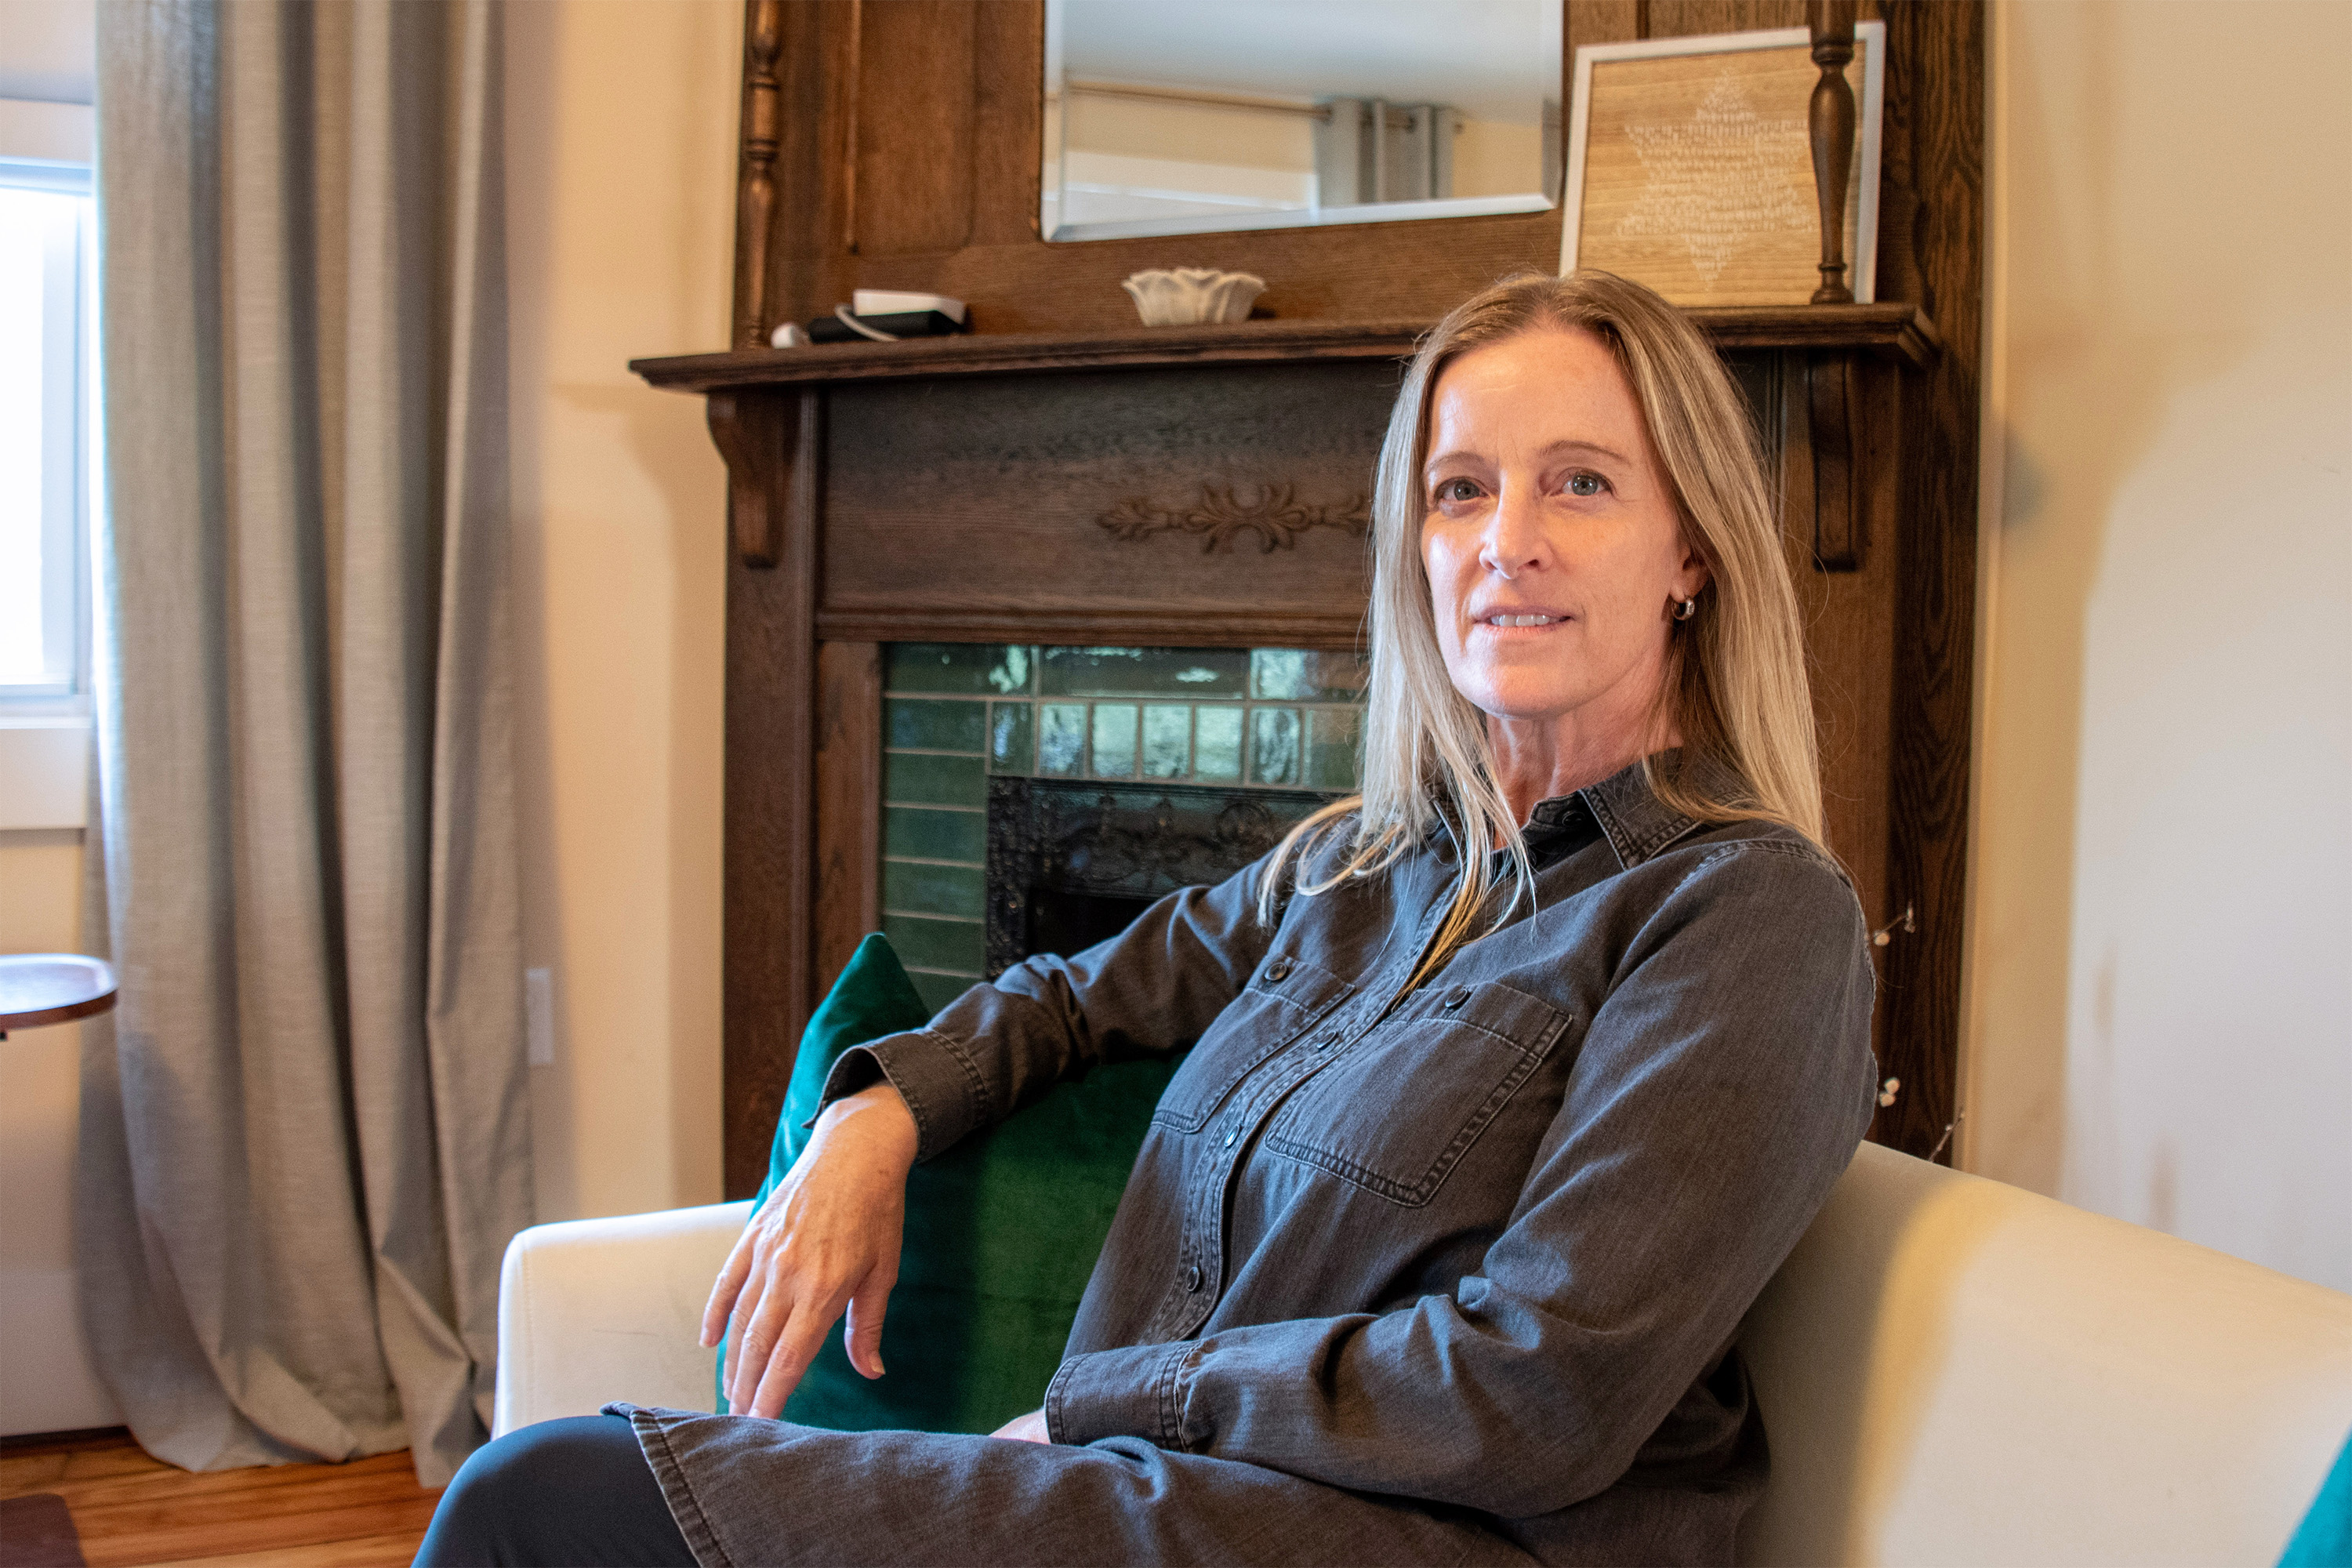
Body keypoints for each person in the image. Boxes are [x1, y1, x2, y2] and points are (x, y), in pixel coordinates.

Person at [416, 270, 1878, 1567]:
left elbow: (1541, 1386)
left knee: (546, 1501)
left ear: (1690, 550)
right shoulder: (1361, 875)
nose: (1508, 540)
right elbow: (1070, 996)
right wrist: (879, 1119)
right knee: (537, 1492)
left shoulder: (1744, 913)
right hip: (1172, 1501)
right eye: (1460, 489)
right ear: (1415, 549)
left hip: (1428, 1541)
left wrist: (1097, 1403)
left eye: (1581, 483)